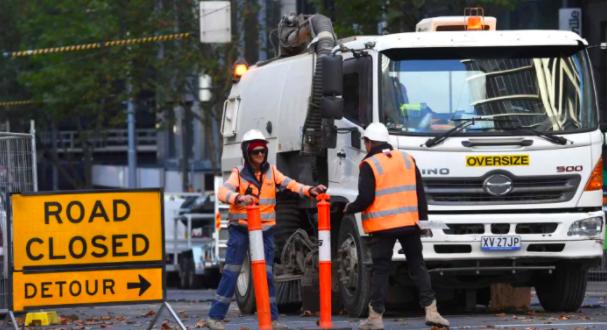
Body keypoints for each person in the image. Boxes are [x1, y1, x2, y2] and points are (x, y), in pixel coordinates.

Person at [206, 129, 327, 330]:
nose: (260, 155)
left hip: (265, 232)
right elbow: (222, 191)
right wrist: (238, 198)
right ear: (247, 153)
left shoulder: (271, 171)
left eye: (263, 151)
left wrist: (309, 191)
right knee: (231, 272)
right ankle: (214, 318)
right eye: (256, 152)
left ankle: (272, 320)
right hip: (241, 230)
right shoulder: (238, 174)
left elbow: (290, 184)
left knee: (267, 275)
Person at [344, 122, 449, 329]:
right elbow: (420, 195)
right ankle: (432, 311)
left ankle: (375, 318)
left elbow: (365, 198)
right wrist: (423, 222)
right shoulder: (407, 159)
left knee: (381, 270)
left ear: (368, 142)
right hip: (410, 224)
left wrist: (349, 208)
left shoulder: (370, 164)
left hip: (383, 227)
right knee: (417, 266)